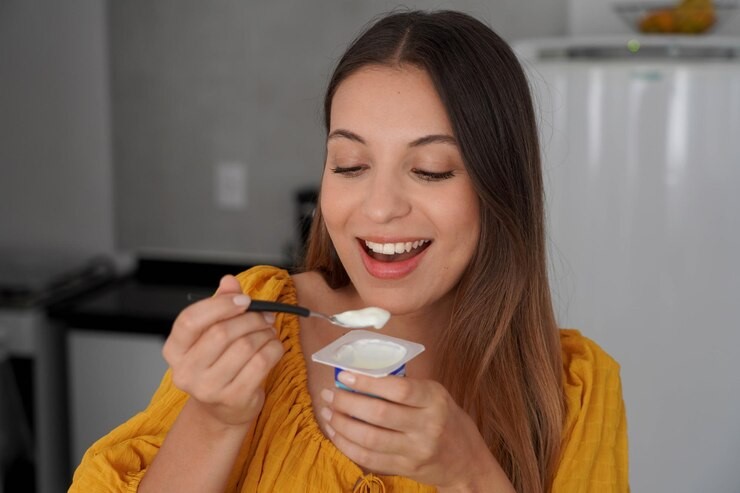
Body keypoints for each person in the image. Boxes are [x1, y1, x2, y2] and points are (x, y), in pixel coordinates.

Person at [69, 10, 628, 493]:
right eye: (350, 166)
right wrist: (215, 419)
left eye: (430, 170)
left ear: (499, 187)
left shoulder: (573, 391)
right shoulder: (263, 321)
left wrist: (470, 475)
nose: (379, 208)